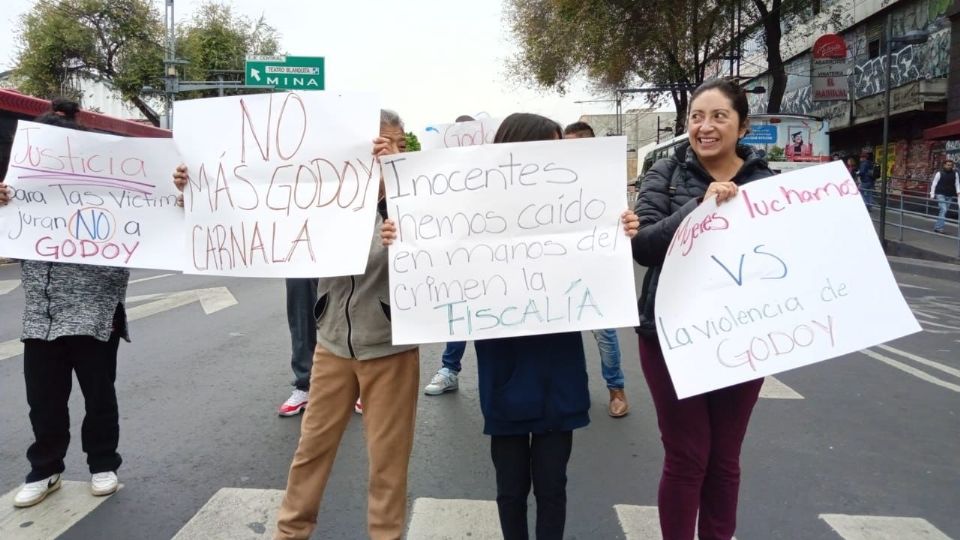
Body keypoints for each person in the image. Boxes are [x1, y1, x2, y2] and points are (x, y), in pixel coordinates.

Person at [383, 112, 639, 539]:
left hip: (559, 369)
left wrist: (623, 228)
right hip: (504, 368)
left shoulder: (572, 204)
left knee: (553, 485)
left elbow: (600, 251)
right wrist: (400, 235)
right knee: (511, 488)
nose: (558, 158)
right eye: (549, 148)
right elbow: (430, 237)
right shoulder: (473, 209)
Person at [631, 79, 774, 540]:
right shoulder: (665, 174)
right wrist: (700, 206)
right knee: (687, 456)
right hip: (670, 337)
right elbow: (646, 247)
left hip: (741, 335)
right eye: (697, 116)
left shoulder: (764, 183)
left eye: (719, 117)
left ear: (742, 126)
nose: (705, 127)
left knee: (724, 458)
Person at [275, 109, 418, 540]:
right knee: (311, 450)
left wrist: (396, 192)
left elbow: (438, 260)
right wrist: (196, 193)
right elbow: (253, 214)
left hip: (390, 348)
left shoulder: (418, 202)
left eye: (394, 145)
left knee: (387, 462)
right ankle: (290, 532)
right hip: (332, 345)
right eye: (374, 144)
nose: (381, 153)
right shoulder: (325, 196)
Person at [3, 99, 125, 508]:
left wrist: (176, 190)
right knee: (44, 400)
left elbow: (152, 224)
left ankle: (102, 463)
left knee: (99, 395)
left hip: (95, 311)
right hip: (41, 316)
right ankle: (46, 468)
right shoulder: (19, 194)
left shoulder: (110, 192)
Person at [563, 120, 629, 417]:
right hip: (557, 269)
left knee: (604, 332)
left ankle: (616, 389)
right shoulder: (552, 179)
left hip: (594, 268)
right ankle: (565, 393)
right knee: (558, 335)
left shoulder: (606, 182)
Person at [423, 114, 476, 397]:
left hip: (495, 259)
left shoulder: (498, 172)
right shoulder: (443, 178)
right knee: (461, 311)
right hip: (459, 260)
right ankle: (449, 369)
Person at [278, 278, 318, 416]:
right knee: (301, 318)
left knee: (350, 303)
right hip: (302, 260)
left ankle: (360, 384)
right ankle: (304, 385)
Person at [930, 159, 958, 234]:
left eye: (951, 165)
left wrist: (958, 193)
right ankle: (939, 228)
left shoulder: (955, 174)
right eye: (948, 165)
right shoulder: (939, 173)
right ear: (944, 165)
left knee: (943, 211)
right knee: (944, 209)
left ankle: (937, 227)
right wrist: (932, 194)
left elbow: (957, 184)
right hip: (940, 194)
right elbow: (934, 184)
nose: (949, 166)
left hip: (950, 195)